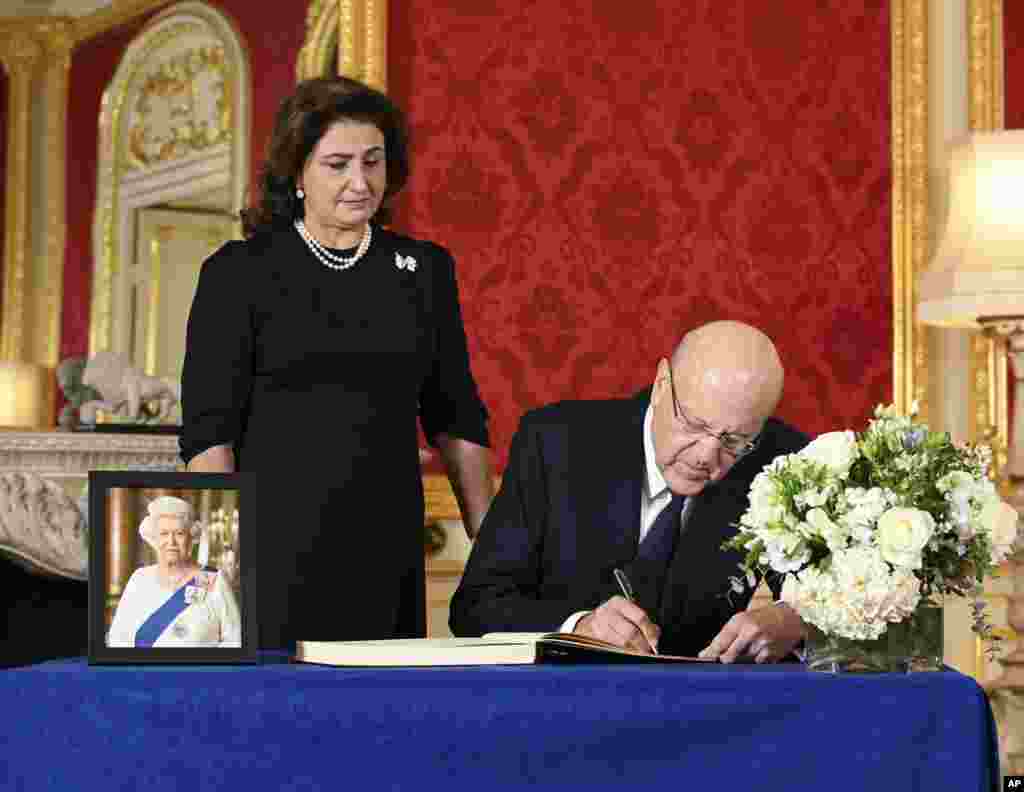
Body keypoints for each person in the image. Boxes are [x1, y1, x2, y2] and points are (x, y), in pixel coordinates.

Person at [179, 77, 494, 648]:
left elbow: (456, 416)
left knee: (376, 721)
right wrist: (220, 560)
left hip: (385, 547)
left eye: (373, 162)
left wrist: (495, 548)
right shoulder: (239, 272)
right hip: (269, 550)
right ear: (296, 173)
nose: (360, 182)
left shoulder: (423, 272)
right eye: (338, 164)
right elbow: (208, 432)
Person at [450, 320, 809, 663]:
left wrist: (795, 620)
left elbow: (837, 599)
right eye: (694, 424)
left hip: (704, 704)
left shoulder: (782, 463)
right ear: (661, 384)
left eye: (735, 440)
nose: (706, 456)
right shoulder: (556, 444)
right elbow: (475, 607)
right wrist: (578, 627)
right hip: (563, 700)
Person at [107, 496, 240, 648]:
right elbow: (118, 638)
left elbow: (235, 641)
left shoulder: (214, 580)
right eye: (164, 534)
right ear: (154, 539)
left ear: (191, 538)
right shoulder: (139, 579)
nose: (171, 542)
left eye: (179, 534)